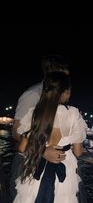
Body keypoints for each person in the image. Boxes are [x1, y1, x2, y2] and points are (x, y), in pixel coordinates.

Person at [13, 71, 87, 202]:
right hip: (63, 164)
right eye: (69, 91)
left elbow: (22, 148)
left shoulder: (35, 112)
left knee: (31, 196)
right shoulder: (73, 113)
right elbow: (78, 151)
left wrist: (42, 150)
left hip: (36, 165)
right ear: (63, 92)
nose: (69, 95)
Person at [9, 54, 70, 202]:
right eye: (65, 74)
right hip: (27, 163)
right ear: (54, 72)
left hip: (45, 164)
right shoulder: (33, 94)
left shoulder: (57, 96)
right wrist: (42, 150)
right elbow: (17, 132)